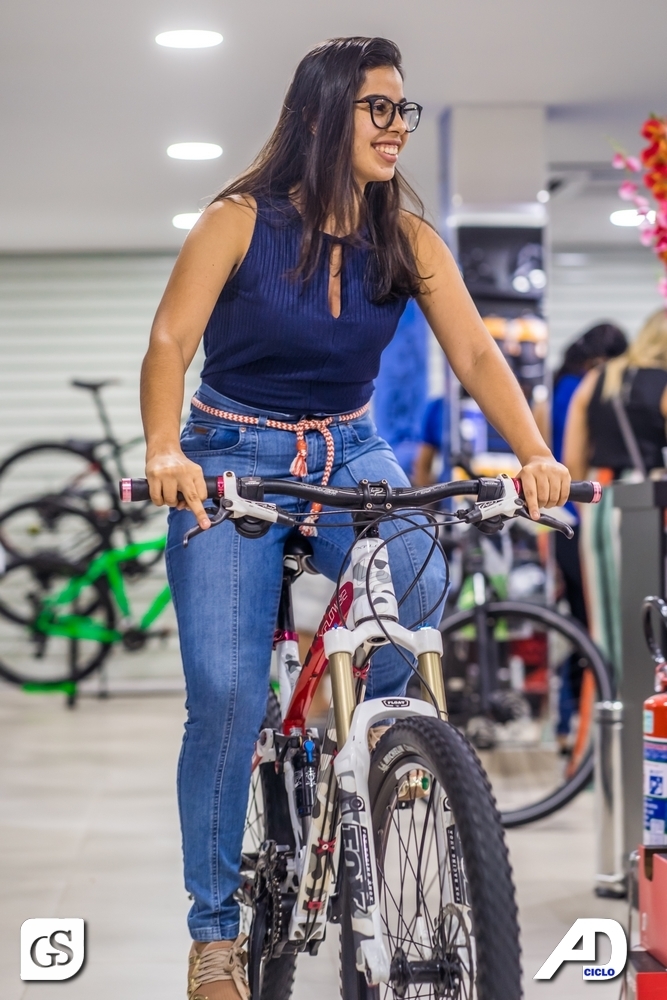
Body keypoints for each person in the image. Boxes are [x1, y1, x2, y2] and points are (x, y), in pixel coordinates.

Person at [140, 36, 570, 1000]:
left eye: (401, 111)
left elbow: (478, 356)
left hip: (349, 447)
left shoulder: (407, 238)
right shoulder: (237, 221)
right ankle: (214, 936)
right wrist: (165, 450)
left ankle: (361, 750)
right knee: (224, 696)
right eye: (378, 108)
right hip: (228, 455)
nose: (395, 128)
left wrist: (537, 455)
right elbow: (170, 340)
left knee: (419, 575)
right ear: (325, 113)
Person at [563, 308, 667, 675]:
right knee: (650, 619)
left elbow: (572, 460)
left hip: (600, 502)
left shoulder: (597, 379)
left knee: (605, 621)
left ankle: (606, 716)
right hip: (651, 504)